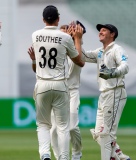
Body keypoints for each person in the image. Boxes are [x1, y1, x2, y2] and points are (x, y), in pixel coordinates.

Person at [29, 5, 84, 160]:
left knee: (43, 125)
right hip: (60, 85)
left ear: (43, 19)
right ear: (58, 19)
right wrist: (77, 39)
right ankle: (65, 158)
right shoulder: (65, 37)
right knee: (63, 127)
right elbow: (80, 61)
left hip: (42, 84)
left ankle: (45, 154)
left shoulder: (35, 35)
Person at [81, 24, 130, 160]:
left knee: (107, 133)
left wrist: (112, 73)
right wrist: (77, 39)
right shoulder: (100, 52)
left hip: (115, 91)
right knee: (98, 133)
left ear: (112, 34)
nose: (100, 32)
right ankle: (118, 155)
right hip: (103, 94)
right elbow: (83, 56)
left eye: (103, 30)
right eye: (99, 30)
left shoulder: (117, 49)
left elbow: (125, 66)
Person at [49, 22, 86, 160]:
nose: (64, 35)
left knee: (71, 127)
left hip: (72, 91)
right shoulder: (55, 51)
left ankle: (77, 152)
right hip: (57, 90)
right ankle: (60, 158)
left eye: (67, 32)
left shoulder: (78, 49)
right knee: (53, 130)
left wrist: (76, 38)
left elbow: (80, 59)